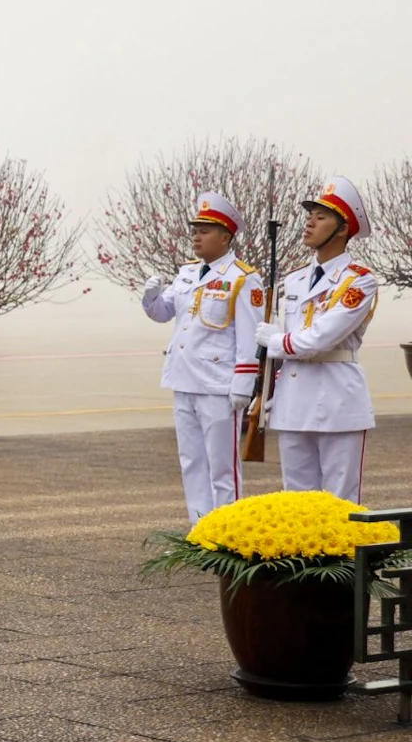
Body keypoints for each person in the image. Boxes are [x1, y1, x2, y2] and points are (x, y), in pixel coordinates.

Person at [140, 191, 264, 522]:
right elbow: (164, 313)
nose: (196, 236)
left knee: (222, 466)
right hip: (183, 378)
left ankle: (227, 529)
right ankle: (201, 528)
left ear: (225, 237)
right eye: (195, 230)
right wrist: (151, 298)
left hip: (218, 384)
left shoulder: (242, 278)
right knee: (191, 461)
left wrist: (244, 384)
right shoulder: (187, 273)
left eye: (204, 231)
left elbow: (249, 336)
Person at [255, 176, 378, 501]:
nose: (309, 222)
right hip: (293, 400)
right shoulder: (294, 279)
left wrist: (276, 341)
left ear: (343, 229)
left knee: (340, 502)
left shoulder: (359, 282)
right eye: (310, 215)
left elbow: (320, 339)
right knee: (297, 503)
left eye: (321, 217)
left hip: (337, 400)